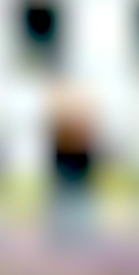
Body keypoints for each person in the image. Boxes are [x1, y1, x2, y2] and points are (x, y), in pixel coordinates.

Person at [44, 90, 100, 241]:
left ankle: (73, 235)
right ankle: (66, 235)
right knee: (66, 204)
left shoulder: (77, 129)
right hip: (68, 172)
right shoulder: (65, 129)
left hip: (75, 173)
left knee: (74, 204)